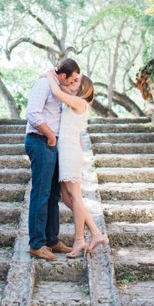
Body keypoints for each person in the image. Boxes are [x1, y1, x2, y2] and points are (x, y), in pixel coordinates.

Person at [24, 56, 82, 262]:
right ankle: (36, 244)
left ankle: (51, 239)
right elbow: (33, 114)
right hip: (40, 141)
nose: (73, 83)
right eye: (72, 79)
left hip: (54, 144)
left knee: (53, 195)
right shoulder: (43, 84)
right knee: (41, 193)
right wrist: (49, 135)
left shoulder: (56, 85)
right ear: (63, 75)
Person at [49, 71, 108, 256]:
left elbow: (58, 92)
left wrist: (49, 76)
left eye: (77, 81)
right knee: (67, 199)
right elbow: (63, 88)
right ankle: (95, 233)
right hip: (65, 152)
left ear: (82, 88)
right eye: (73, 79)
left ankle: (81, 240)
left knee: (75, 197)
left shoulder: (80, 103)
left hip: (70, 153)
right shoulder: (73, 101)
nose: (72, 81)